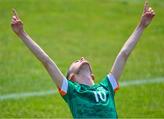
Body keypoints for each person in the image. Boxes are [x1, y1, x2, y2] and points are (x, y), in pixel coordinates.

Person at [11, 0, 155, 118]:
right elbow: (46, 61)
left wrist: (141, 26)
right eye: (76, 61)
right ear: (72, 77)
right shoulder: (71, 91)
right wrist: (22, 34)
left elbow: (124, 54)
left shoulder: (107, 87)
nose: (81, 58)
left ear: (92, 76)